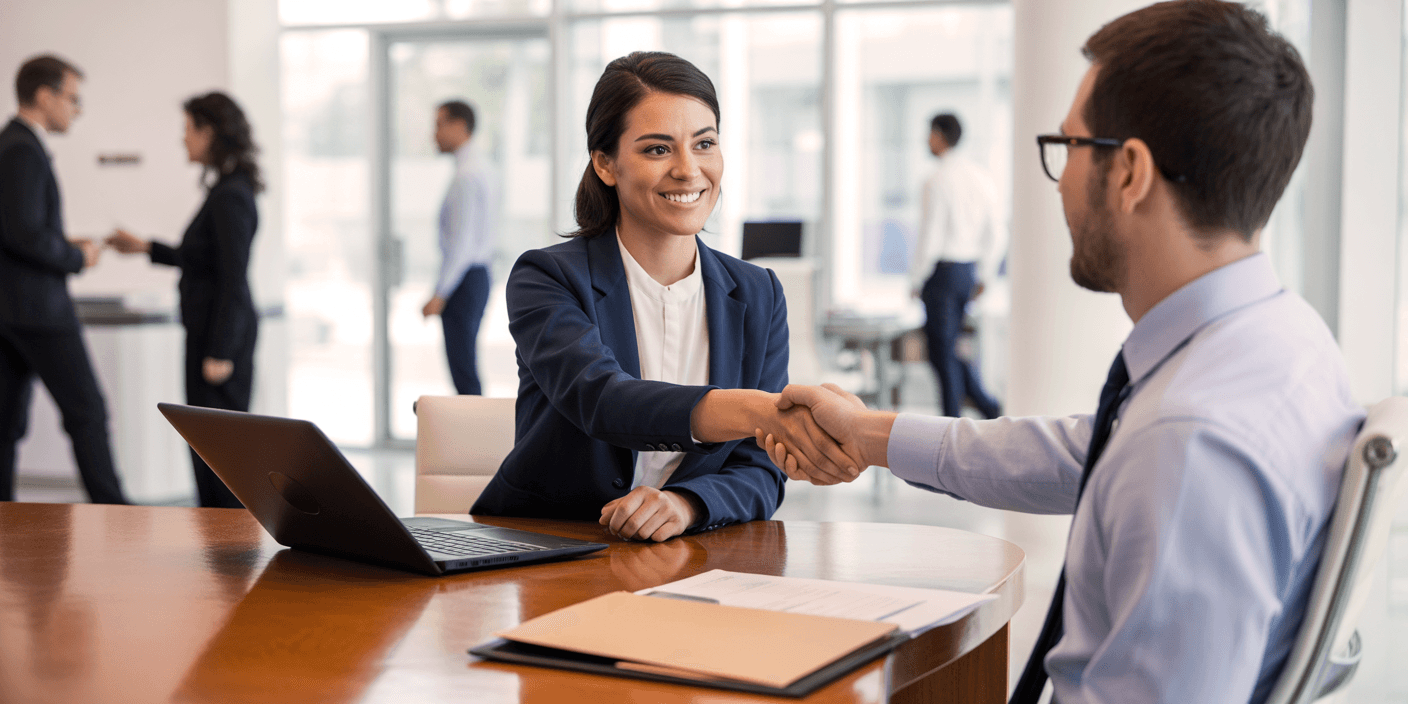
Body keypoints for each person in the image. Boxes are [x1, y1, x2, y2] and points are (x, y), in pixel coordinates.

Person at [763, 2, 1364, 703]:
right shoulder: (1279, 342)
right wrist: (870, 435)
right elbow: (1091, 453)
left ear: (1131, 172)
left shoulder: (1190, 444)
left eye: (1070, 146)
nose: (1061, 180)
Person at [470, 51, 859, 542]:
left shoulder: (759, 293)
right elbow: (605, 401)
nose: (688, 169)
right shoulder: (546, 277)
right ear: (605, 164)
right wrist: (763, 411)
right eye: (657, 149)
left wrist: (686, 504)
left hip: (689, 559)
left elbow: (759, 470)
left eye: (705, 143)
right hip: (553, 547)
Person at [107, 92, 261, 509]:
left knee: (221, 456)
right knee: (207, 450)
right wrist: (145, 248)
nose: (183, 140)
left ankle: (230, 555)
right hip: (208, 332)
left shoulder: (231, 195)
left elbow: (233, 277)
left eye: (188, 130)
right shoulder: (225, 190)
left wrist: (220, 351)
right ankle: (218, 553)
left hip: (218, 339)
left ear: (209, 132)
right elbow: (202, 259)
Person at [0, 55, 127, 504]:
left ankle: (6, 521)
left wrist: (62, 242)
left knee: (6, 423)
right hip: (38, 310)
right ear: (43, 95)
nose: (77, 109)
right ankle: (116, 513)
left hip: (13, 309)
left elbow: (17, 229)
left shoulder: (13, 144)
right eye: (73, 99)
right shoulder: (21, 148)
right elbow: (24, 234)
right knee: (87, 413)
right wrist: (78, 255)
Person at [911, 113, 1005, 419]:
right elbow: (996, 232)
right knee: (951, 350)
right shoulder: (981, 177)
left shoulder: (937, 179)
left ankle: (952, 425)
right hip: (967, 273)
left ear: (939, 135)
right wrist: (985, 274)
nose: (927, 140)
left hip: (941, 273)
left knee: (942, 355)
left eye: (929, 133)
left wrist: (916, 278)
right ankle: (988, 407)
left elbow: (931, 234)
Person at [422, 100, 500, 396]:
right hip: (474, 276)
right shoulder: (481, 168)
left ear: (459, 126)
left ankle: (479, 440)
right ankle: (478, 438)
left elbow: (463, 244)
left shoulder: (467, 175)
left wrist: (440, 293)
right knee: (465, 369)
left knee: (464, 373)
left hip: (465, 279)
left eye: (439, 125)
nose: (434, 134)